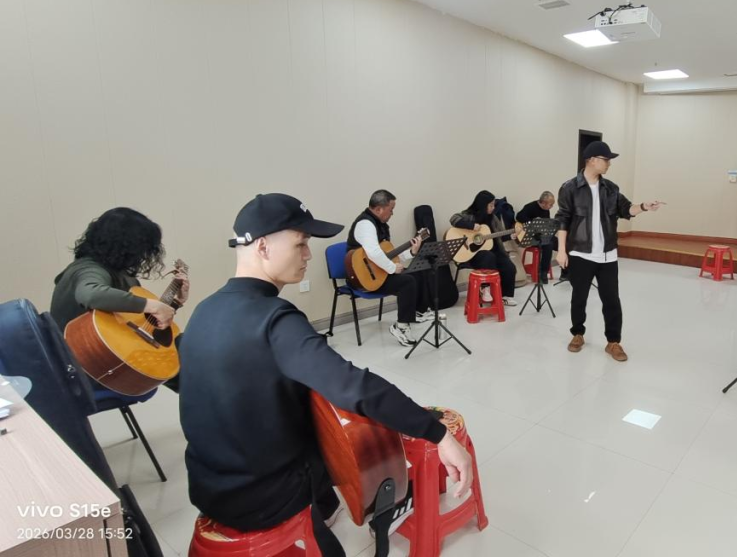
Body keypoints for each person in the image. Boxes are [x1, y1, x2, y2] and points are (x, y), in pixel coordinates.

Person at [179, 193, 472, 557]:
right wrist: (437, 433)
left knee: (302, 409)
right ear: (263, 246)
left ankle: (327, 507)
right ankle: (387, 507)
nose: (308, 255)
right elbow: (355, 387)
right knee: (357, 429)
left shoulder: (204, 311)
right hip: (262, 499)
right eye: (300, 243)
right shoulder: (275, 320)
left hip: (208, 488)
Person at [51, 207, 189, 391]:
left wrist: (175, 303)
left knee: (187, 349)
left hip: (110, 360)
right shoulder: (87, 269)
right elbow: (90, 294)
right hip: (89, 365)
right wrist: (151, 305)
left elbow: (135, 323)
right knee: (191, 352)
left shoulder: (121, 276)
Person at [555, 141, 663, 362]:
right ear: (592, 160)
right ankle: (577, 334)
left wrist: (644, 207)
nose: (609, 164)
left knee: (612, 300)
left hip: (607, 255)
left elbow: (626, 209)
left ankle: (613, 341)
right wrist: (561, 251)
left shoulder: (611, 189)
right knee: (579, 298)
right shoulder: (570, 188)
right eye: (606, 160)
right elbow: (562, 220)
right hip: (581, 253)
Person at [347, 189, 432, 346]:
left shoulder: (380, 225)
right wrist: (392, 268)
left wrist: (412, 252)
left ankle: (417, 312)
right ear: (379, 209)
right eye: (391, 209)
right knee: (407, 281)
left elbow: (388, 256)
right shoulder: (366, 224)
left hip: (379, 272)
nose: (392, 213)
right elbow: (374, 253)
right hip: (364, 278)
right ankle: (401, 327)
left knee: (417, 272)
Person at [450, 190, 518, 306]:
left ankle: (505, 296)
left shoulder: (493, 218)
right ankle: (485, 288)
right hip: (473, 254)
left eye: (493, 205)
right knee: (488, 257)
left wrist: (510, 236)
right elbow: (453, 219)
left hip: (494, 251)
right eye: (490, 205)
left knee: (509, 267)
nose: (493, 208)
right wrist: (471, 225)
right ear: (482, 204)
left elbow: (500, 236)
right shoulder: (469, 215)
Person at [516, 191, 556, 283]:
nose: (552, 206)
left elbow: (546, 224)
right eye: (551, 204)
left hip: (542, 236)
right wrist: (533, 222)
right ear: (544, 203)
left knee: (562, 242)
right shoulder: (530, 207)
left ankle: (565, 272)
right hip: (531, 237)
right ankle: (543, 273)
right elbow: (519, 216)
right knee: (548, 245)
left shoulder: (546, 210)